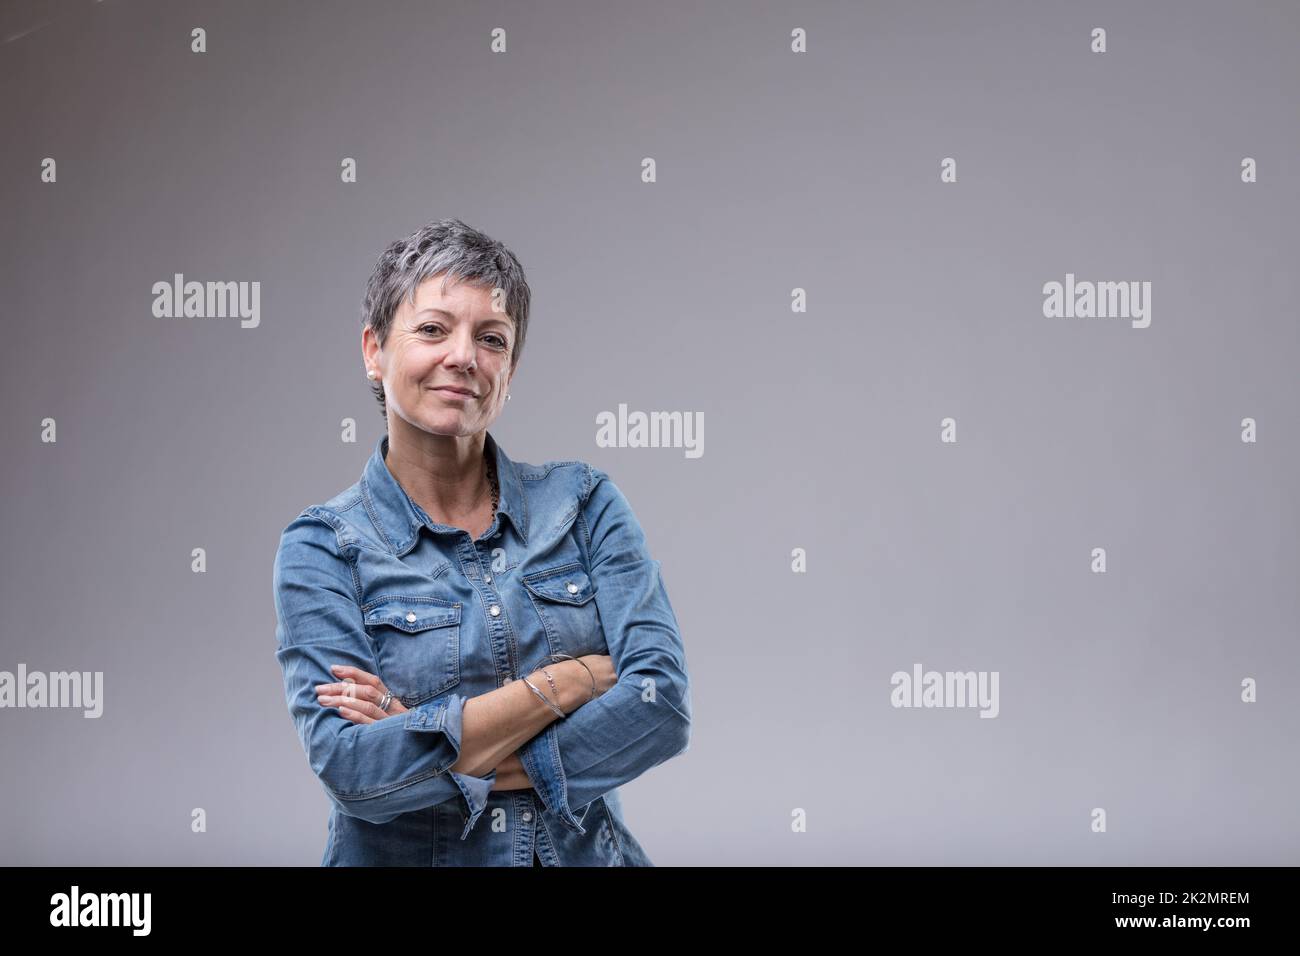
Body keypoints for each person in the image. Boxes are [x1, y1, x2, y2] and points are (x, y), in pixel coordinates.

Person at [272, 218, 692, 866]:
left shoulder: (584, 503)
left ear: (510, 369)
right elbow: (353, 770)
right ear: (374, 350)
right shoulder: (322, 547)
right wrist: (568, 681)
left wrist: (421, 732)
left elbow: (659, 703)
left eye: (491, 338)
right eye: (434, 329)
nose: (463, 356)